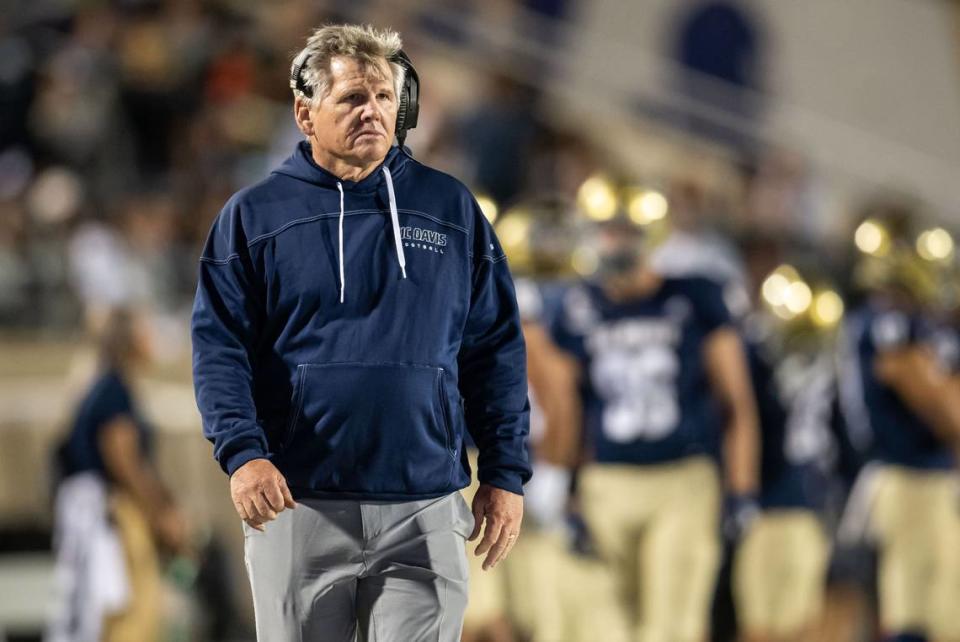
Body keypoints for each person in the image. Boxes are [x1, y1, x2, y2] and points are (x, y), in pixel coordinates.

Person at [190, 24, 530, 642]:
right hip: (299, 499)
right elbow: (220, 350)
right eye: (351, 98)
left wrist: (505, 472)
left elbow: (494, 349)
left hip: (424, 500)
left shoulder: (451, 209)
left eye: (383, 96)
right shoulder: (253, 216)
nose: (372, 111)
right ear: (304, 112)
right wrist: (243, 455)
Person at [545, 211, 760, 642]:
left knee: (670, 629)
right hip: (607, 481)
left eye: (623, 234)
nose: (612, 244)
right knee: (605, 629)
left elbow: (735, 402)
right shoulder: (578, 305)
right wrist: (565, 487)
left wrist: (741, 488)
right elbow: (567, 405)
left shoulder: (695, 296)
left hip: (680, 480)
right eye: (605, 233)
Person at [838, 212, 960, 642]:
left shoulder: (913, 324)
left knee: (945, 612)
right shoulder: (888, 320)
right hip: (907, 476)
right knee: (908, 612)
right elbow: (916, 384)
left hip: (928, 476)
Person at [47, 307, 188, 642]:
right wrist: (162, 511)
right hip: (113, 512)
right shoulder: (112, 389)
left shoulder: (101, 383)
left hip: (96, 508)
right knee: (130, 612)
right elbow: (123, 460)